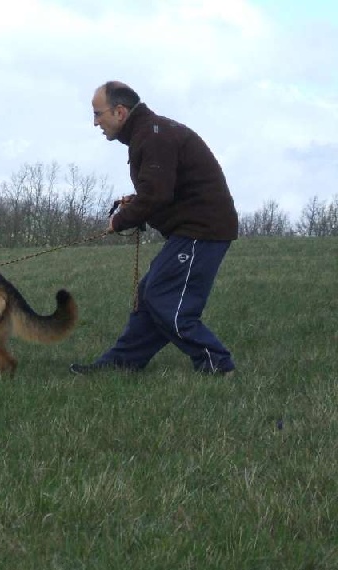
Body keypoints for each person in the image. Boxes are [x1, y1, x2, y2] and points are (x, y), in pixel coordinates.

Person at [69, 81, 238, 376]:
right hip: (195, 229)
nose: (96, 122)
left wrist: (120, 220)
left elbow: (158, 195)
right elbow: (164, 189)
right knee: (151, 293)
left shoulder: (152, 135)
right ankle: (123, 364)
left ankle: (217, 363)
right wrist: (136, 202)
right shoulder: (149, 132)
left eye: (98, 114)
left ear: (120, 111)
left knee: (164, 297)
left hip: (202, 231)